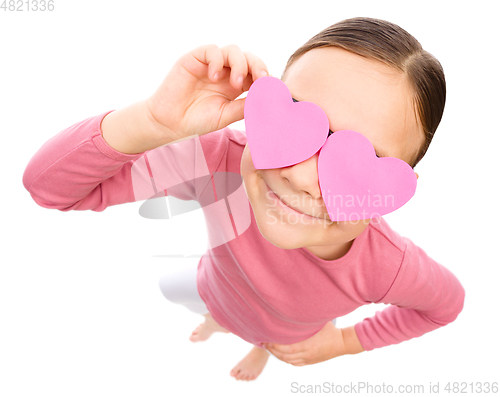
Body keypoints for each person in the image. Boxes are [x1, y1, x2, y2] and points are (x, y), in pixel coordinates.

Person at [23, 17, 465, 382]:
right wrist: (152, 122)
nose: (299, 176)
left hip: (285, 334)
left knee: (266, 339)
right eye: (294, 121)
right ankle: (219, 321)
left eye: (362, 161)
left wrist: (342, 343)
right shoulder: (220, 160)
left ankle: (259, 349)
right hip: (216, 288)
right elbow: (50, 188)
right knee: (218, 310)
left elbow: (446, 306)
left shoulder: (388, 267)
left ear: (394, 188)